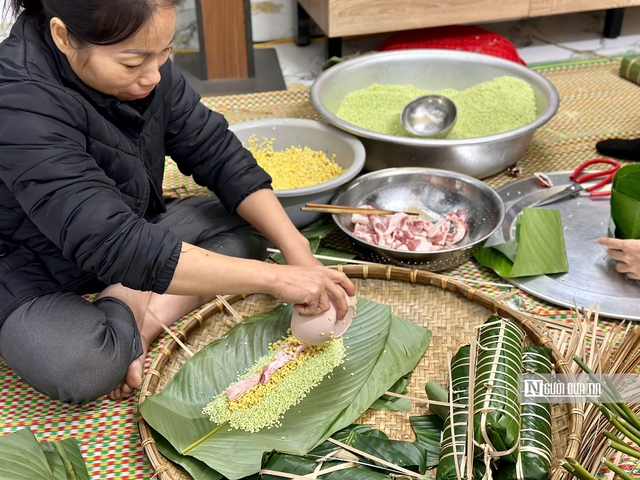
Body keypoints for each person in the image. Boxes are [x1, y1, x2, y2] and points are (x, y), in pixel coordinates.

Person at [0, 0, 355, 405]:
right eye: (132, 63)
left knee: (257, 231)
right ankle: (135, 288)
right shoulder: (17, 100)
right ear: (64, 36)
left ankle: (133, 305)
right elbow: (108, 239)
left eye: (166, 51)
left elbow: (216, 151)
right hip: (23, 260)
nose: (154, 74)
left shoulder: (147, 63)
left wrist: (298, 252)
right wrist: (277, 279)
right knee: (82, 368)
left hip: (127, 234)